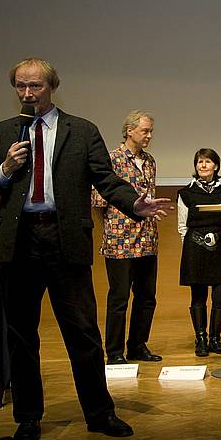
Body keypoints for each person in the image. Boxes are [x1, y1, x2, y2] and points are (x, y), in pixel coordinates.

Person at [0, 58, 171, 440]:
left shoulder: (81, 130)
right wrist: (4, 169)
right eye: (20, 86)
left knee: (83, 332)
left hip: (65, 241)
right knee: (21, 336)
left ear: (52, 86)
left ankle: (99, 413)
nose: (27, 93)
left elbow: (106, 180)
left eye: (35, 86)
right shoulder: (2, 132)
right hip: (19, 243)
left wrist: (134, 203)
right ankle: (28, 417)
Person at [91, 110, 161, 365]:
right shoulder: (112, 159)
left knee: (147, 297)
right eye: (145, 131)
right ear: (129, 131)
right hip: (120, 241)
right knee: (119, 298)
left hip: (148, 239)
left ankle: (138, 346)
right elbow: (98, 203)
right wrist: (112, 229)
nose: (149, 136)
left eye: (151, 131)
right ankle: (114, 351)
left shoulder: (150, 161)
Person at [177, 148, 221, 357]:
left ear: (216, 166)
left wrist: (215, 238)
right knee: (198, 296)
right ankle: (200, 338)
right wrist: (192, 248)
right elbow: (182, 226)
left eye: (207, 161)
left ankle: (215, 339)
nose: (203, 165)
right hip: (195, 247)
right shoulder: (186, 193)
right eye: (199, 162)